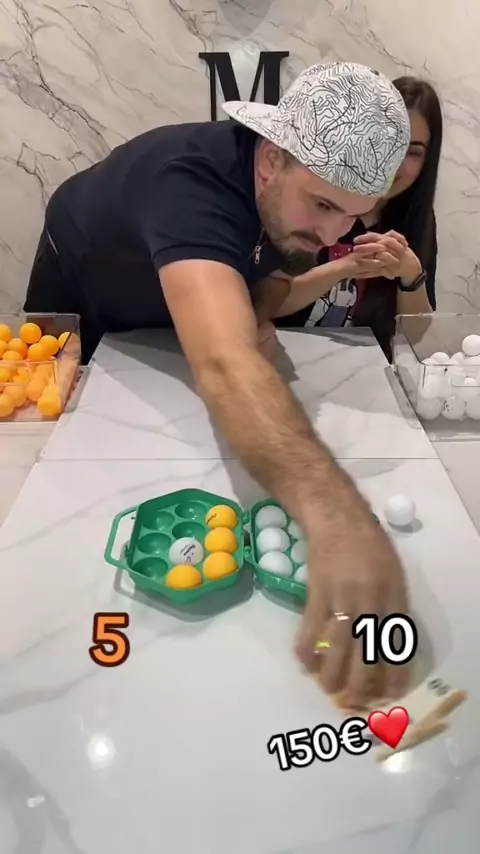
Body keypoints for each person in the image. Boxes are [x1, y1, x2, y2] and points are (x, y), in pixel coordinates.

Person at [24, 62, 412, 709]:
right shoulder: (189, 188)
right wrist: (341, 522)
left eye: (354, 216)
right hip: (88, 291)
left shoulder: (284, 202)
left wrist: (255, 309)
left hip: (166, 301)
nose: (333, 236)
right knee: (66, 460)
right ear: (271, 160)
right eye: (323, 206)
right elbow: (227, 366)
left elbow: (266, 283)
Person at [266, 77, 442, 360]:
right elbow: (268, 302)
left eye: (412, 151)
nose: (392, 161)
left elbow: (415, 334)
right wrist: (347, 267)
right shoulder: (315, 192)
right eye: (386, 141)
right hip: (286, 359)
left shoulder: (417, 219)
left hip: (365, 370)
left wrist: (411, 274)